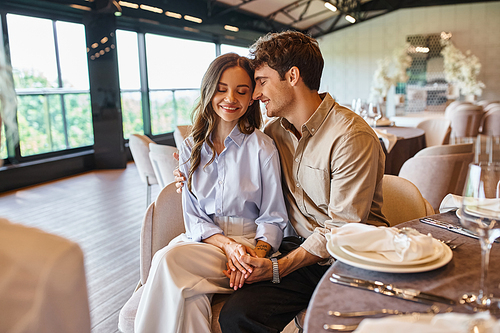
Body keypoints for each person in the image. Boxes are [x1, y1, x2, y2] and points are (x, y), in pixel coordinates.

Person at [175, 31, 389, 332]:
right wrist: (192, 173)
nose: (256, 93)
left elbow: (343, 229)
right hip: (299, 249)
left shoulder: (350, 137)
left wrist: (276, 267)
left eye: (261, 81)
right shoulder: (275, 133)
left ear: (292, 76)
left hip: (351, 256)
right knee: (238, 314)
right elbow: (236, 167)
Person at [134, 53, 288, 333]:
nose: (231, 98)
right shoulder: (190, 146)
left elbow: (274, 217)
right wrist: (227, 246)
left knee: (166, 259)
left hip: (249, 244)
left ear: (252, 96)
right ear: (209, 90)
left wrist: (254, 257)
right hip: (205, 241)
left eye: (242, 91)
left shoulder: (262, 147)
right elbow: (193, 217)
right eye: (222, 89)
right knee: (190, 301)